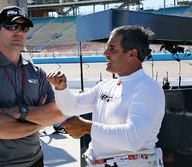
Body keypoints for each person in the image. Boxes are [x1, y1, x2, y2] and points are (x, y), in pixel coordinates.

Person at [47, 25, 165, 167]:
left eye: (112, 49)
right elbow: (71, 107)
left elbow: (133, 139)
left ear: (132, 54)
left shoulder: (148, 88)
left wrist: (87, 127)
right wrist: (61, 89)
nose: (105, 53)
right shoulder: (105, 86)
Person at [0, 6, 64, 167]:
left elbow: (57, 114)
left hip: (36, 161)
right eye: (11, 27)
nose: (18, 32)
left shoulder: (37, 73)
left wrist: (19, 112)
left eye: (23, 28)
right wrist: (41, 121)